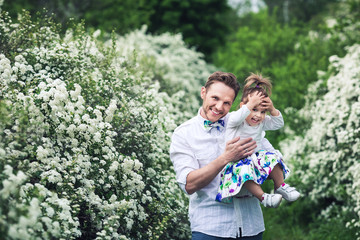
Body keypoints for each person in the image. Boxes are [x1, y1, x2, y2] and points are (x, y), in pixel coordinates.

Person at [170, 71, 277, 239]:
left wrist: (266, 169)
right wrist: (226, 158)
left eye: (227, 103)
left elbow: (272, 164)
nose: (219, 107)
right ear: (203, 93)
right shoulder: (184, 134)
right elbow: (188, 184)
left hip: (251, 227)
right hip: (210, 228)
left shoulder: (247, 124)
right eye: (215, 98)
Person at [215, 73, 300, 209]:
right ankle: (264, 198)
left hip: (256, 159)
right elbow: (237, 118)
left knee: (273, 158)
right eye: (254, 109)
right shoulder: (235, 120)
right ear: (243, 106)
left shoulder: (261, 122)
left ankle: (280, 186)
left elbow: (278, 124)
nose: (257, 115)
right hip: (237, 161)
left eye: (262, 111)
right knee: (244, 172)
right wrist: (249, 105)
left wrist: (272, 109)